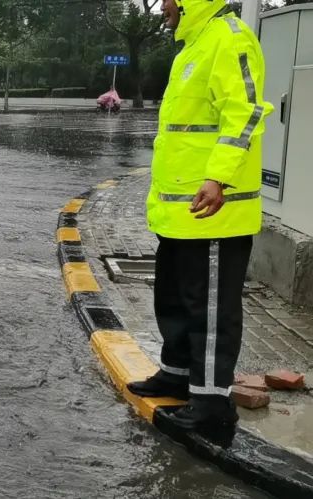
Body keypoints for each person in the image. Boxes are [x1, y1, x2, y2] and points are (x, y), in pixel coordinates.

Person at [126, 0, 273, 446]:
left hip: (214, 209)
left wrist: (219, 177)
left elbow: (246, 111)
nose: (162, 8)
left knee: (209, 309)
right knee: (174, 296)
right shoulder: (192, 47)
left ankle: (211, 402)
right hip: (180, 211)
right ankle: (176, 375)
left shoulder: (229, 38)